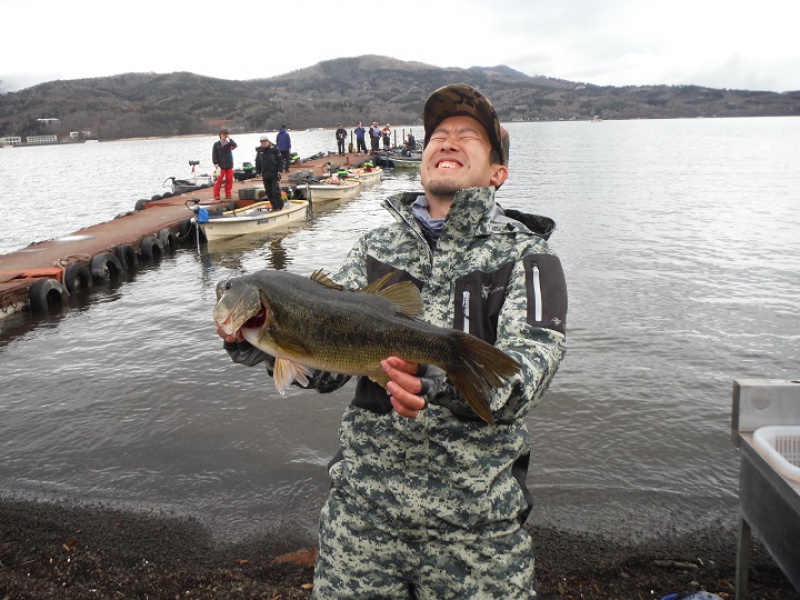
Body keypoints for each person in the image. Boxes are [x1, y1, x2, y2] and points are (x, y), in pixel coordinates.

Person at [217, 83, 567, 598]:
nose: (447, 140)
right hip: (362, 517)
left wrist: (435, 380)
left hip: (478, 529)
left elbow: (524, 376)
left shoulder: (531, 257)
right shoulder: (374, 246)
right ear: (423, 158)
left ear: (499, 172)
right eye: (438, 134)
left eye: (468, 135)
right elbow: (327, 369)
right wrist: (251, 341)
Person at [254, 135, 285, 210]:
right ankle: (274, 206)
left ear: (268, 141)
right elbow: (257, 162)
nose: (264, 143)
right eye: (262, 142)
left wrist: (279, 170)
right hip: (265, 174)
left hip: (274, 174)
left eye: (265, 141)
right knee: (268, 191)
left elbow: (280, 161)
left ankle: (280, 206)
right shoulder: (260, 152)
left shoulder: (274, 150)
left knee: (275, 191)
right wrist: (258, 172)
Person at [212, 128, 237, 200]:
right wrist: (215, 163)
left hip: (229, 164)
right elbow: (214, 154)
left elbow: (235, 146)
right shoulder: (216, 144)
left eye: (226, 134)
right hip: (221, 165)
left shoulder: (229, 144)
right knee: (219, 180)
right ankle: (216, 194)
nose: (225, 135)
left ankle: (228, 193)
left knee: (229, 179)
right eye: (223, 134)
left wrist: (230, 139)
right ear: (220, 135)